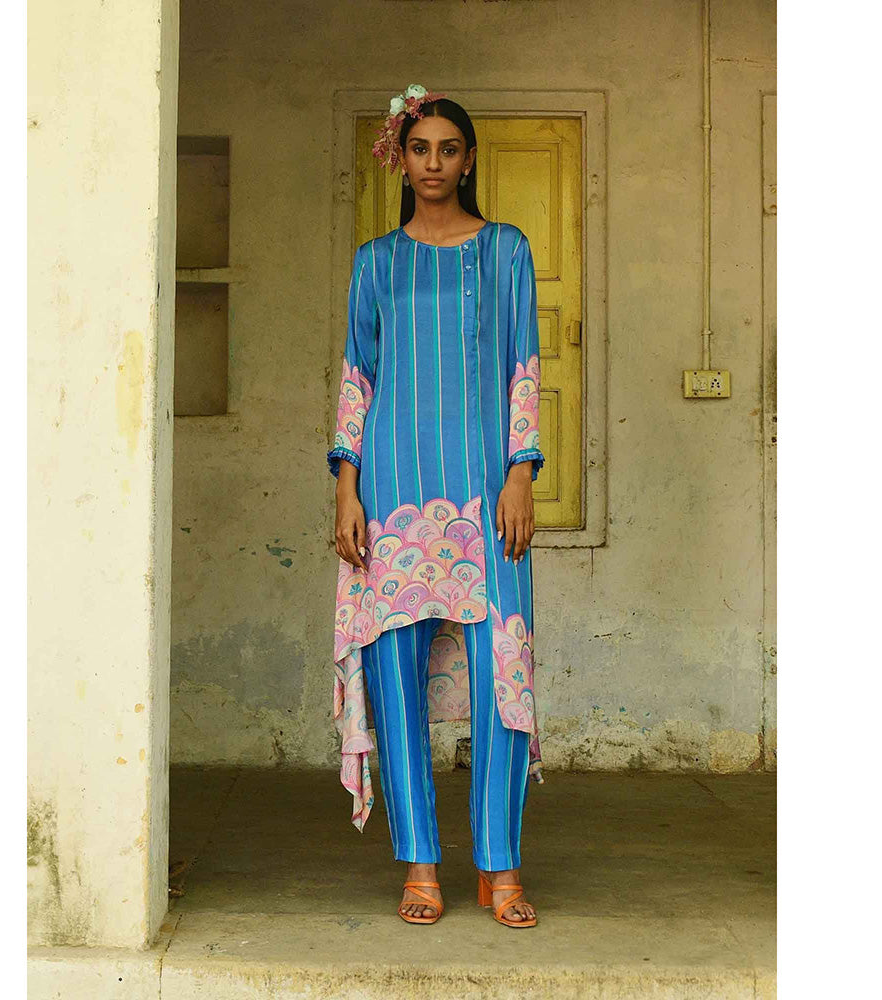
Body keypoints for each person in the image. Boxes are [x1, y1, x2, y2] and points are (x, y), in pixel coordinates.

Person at [328, 84, 543, 928]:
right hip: (390, 492)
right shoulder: (376, 262)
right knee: (396, 681)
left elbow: (524, 364)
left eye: (449, 149)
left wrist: (522, 471)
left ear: (469, 159)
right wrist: (345, 486)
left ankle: (500, 864)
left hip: (487, 490)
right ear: (400, 157)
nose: (434, 164)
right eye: (420, 149)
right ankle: (419, 862)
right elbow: (357, 376)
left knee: (503, 673)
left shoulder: (506, 250)